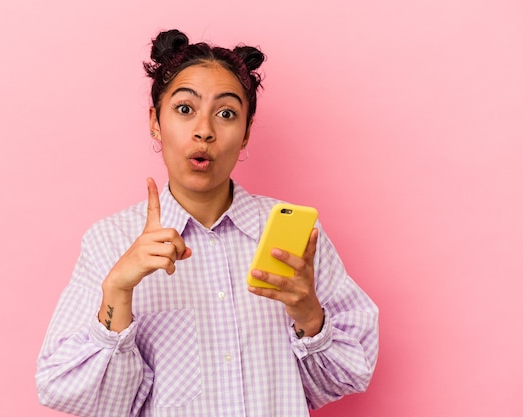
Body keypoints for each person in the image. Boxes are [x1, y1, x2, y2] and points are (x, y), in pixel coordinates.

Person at [36, 29, 379, 417]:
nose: (204, 131)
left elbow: (350, 372)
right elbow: (69, 390)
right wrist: (117, 291)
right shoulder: (109, 241)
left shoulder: (296, 238)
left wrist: (309, 316)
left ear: (247, 131)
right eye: (185, 109)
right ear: (155, 121)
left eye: (227, 114)